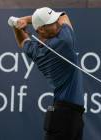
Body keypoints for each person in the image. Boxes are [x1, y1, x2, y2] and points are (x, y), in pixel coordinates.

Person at [8, 7, 85, 140]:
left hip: (69, 116)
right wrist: (26, 20)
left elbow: (22, 41)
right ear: (41, 30)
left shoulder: (36, 51)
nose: (56, 23)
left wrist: (17, 25)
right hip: (64, 117)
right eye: (51, 23)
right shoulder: (64, 41)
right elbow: (64, 17)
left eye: (54, 20)